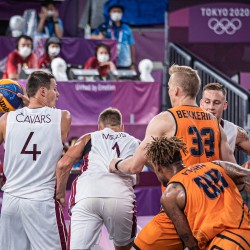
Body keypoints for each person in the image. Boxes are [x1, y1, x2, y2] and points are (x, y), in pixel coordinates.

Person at [109, 64, 236, 249]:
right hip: (213, 207)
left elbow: (135, 166)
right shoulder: (215, 123)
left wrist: (115, 164)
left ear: (176, 90)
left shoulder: (165, 119)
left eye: (169, 87)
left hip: (181, 205)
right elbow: (231, 168)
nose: (168, 91)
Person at [0, 71, 71, 250]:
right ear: (42, 91)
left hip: (11, 201)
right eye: (55, 89)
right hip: (41, 202)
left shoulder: (7, 119)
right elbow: (46, 120)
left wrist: (23, 107)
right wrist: (29, 105)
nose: (58, 94)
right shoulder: (63, 117)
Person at [56, 107, 139, 250]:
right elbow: (158, 165)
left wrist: (60, 194)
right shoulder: (135, 141)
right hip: (120, 197)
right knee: (123, 247)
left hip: (87, 195)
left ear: (99, 127)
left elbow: (63, 165)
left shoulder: (89, 137)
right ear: (122, 127)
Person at [146, 136, 250, 249]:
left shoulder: (170, 194)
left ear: (158, 167)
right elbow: (247, 177)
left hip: (225, 243)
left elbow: (190, 242)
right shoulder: (216, 165)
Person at [200, 82, 250, 155]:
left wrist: (246, 164)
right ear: (201, 103)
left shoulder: (235, 132)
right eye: (207, 102)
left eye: (216, 103)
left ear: (224, 105)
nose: (211, 107)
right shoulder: (187, 125)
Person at [91, 4, 136, 69]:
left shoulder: (126, 28)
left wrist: (133, 63)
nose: (116, 13)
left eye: (119, 12)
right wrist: (98, 37)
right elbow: (90, 36)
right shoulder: (104, 26)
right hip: (109, 62)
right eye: (114, 11)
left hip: (125, 62)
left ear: (122, 14)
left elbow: (131, 46)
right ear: (109, 13)